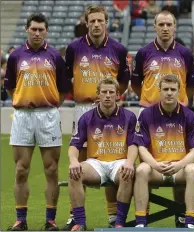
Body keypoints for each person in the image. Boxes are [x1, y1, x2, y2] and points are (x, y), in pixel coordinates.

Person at [62, 6, 131, 230]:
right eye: (92, 21)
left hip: (110, 105)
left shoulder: (118, 49)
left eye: (100, 20)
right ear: (86, 22)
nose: (96, 24)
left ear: (106, 22)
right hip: (83, 108)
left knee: (113, 156)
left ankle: (113, 216)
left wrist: (108, 97)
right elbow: (65, 77)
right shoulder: (74, 47)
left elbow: (123, 80)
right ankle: (75, 216)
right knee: (80, 163)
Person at [5, 13, 70, 231]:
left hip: (48, 115)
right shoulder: (16, 57)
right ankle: (20, 220)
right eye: (33, 29)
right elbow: (10, 87)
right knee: (21, 169)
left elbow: (62, 90)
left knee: (51, 169)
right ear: (27, 29)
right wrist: (24, 100)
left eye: (41, 29)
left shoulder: (54, 56)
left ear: (46, 31)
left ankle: (50, 220)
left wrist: (48, 104)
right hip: (23, 116)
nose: (37, 33)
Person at [133, 75, 194, 228]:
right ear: (159, 91)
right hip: (156, 168)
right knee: (141, 169)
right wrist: (155, 165)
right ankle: (140, 222)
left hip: (180, 168)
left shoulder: (189, 115)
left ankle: (190, 221)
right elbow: (141, 147)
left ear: (179, 92)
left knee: (193, 169)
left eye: (173, 89)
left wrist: (180, 165)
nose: (169, 93)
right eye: (165, 89)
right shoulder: (146, 114)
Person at [67, 78, 137, 231]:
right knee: (74, 173)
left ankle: (119, 223)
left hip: (119, 161)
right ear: (98, 95)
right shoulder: (86, 117)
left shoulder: (129, 116)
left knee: (127, 173)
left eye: (111, 92)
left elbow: (133, 145)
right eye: (104, 92)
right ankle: (80, 222)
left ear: (118, 95)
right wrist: (73, 161)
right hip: (95, 163)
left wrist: (130, 162)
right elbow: (74, 145)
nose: (107, 95)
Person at [132, 10, 194, 112]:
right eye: (161, 24)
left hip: (178, 111)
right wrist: (149, 100)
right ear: (155, 27)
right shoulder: (143, 53)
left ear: (174, 27)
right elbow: (135, 84)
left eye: (169, 24)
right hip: (149, 110)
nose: (165, 28)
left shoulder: (185, 53)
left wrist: (180, 100)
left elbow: (192, 85)